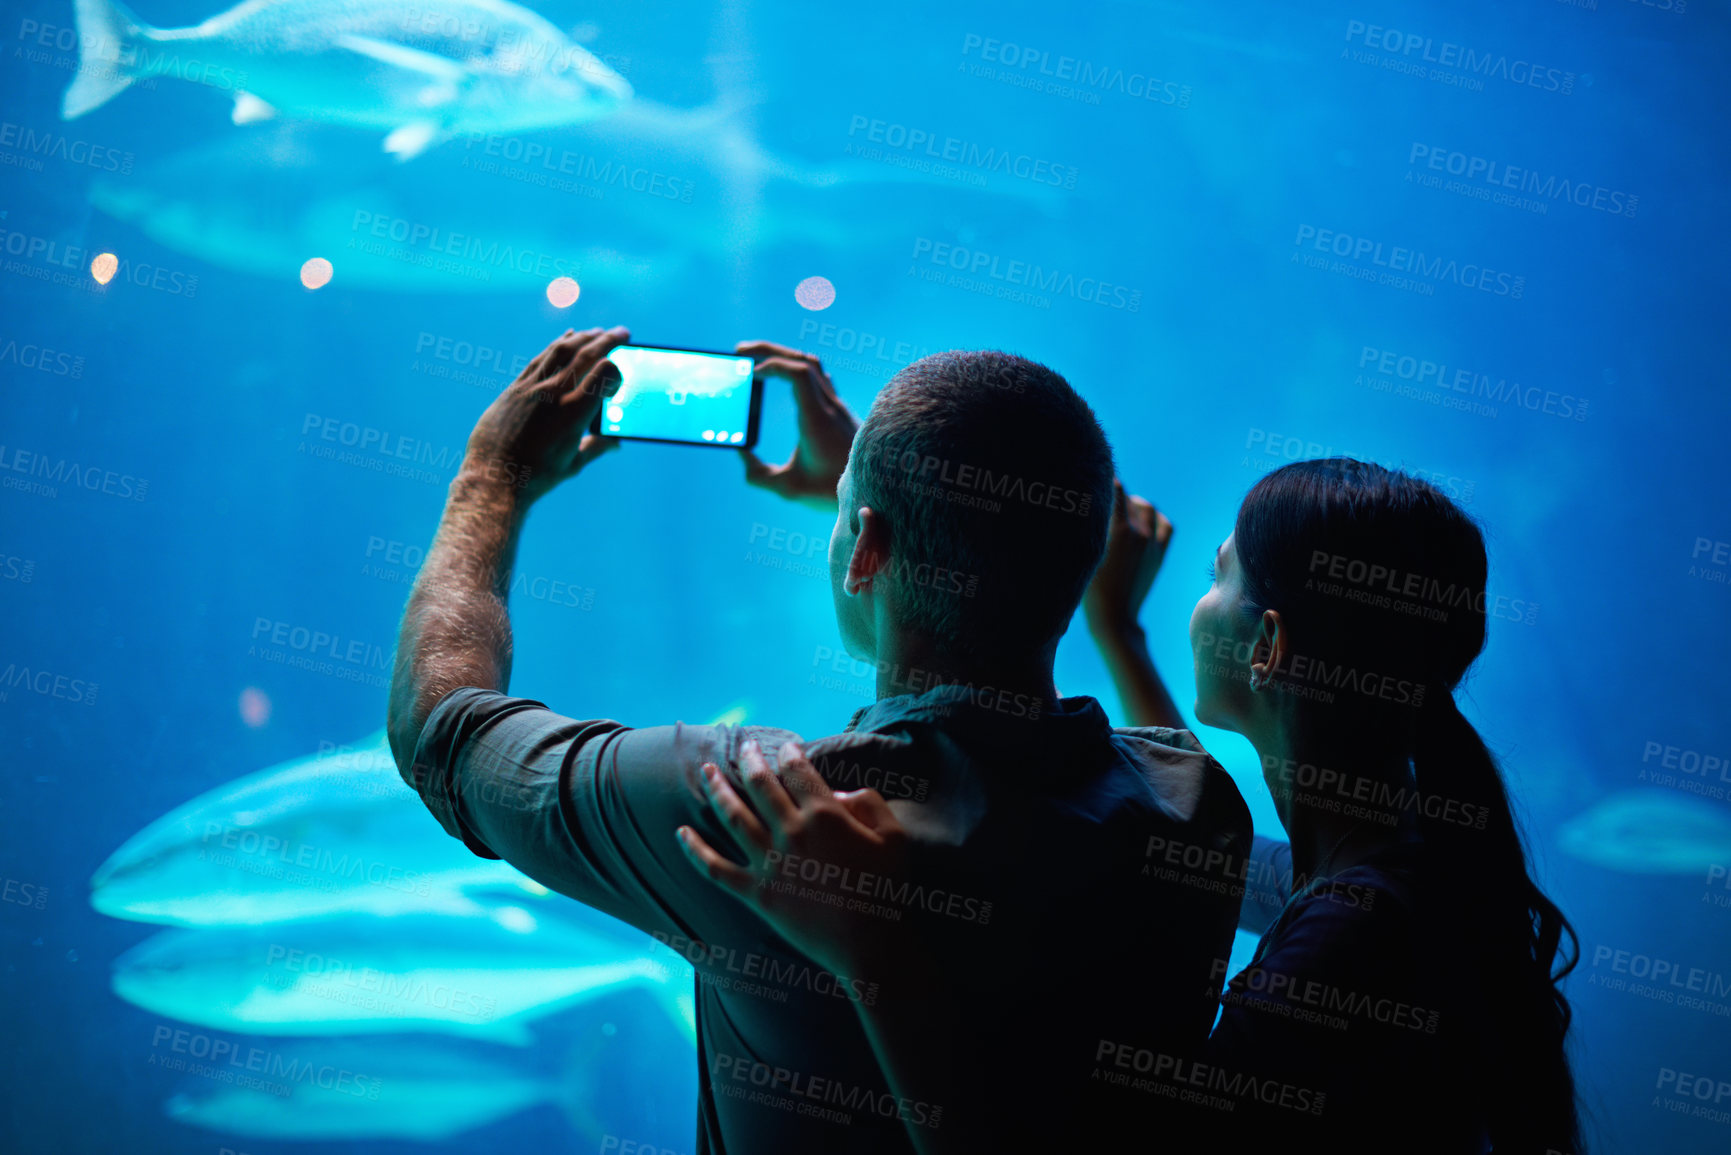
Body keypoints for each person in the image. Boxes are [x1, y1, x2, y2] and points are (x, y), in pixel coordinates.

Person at [386, 327, 1251, 1153]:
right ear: (1092, 555)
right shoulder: (1196, 806)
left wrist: (491, 475)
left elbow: (440, 732)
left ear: (864, 546)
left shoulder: (767, 812)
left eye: (848, 516)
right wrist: (890, 501)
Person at [683, 459, 1584, 1154]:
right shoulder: (1398, 865)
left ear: (1264, 643)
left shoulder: (1342, 945)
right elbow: (1195, 836)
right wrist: (1117, 626)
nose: (1199, 598)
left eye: (1216, 574)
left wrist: (868, 940)